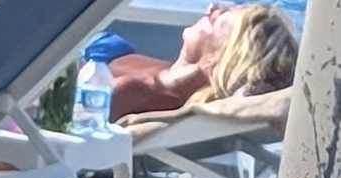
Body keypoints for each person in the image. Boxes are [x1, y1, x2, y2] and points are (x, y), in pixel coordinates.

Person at [87, 4, 297, 121]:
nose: (213, 6)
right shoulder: (166, 83)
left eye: (218, 17)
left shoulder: (134, 92)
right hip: (105, 50)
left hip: (78, 48)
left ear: (220, 57)